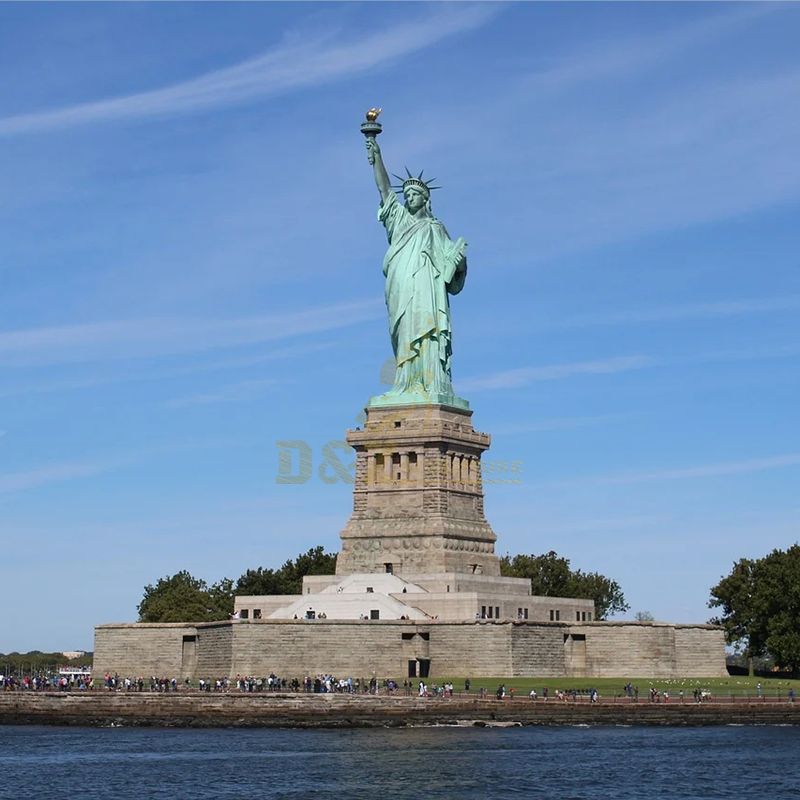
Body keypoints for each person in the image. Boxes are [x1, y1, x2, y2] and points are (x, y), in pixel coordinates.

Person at [365, 135, 467, 404]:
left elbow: (452, 271)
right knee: (404, 333)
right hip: (401, 285)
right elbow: (384, 189)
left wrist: (459, 262)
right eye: (406, 195)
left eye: (414, 195)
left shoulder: (436, 228)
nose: (409, 198)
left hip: (427, 290)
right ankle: (406, 382)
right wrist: (376, 154)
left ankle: (431, 382)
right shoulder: (398, 221)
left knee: (428, 334)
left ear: (425, 199)